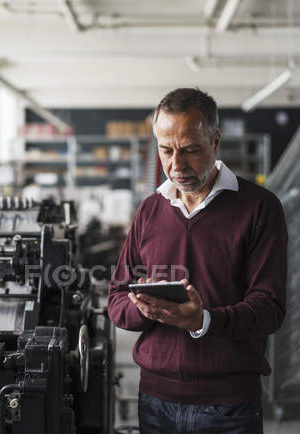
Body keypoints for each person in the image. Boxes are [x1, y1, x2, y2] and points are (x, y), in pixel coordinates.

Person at [107, 88, 287, 434]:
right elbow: (116, 301)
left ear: (215, 141)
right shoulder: (149, 210)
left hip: (229, 406)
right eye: (166, 150)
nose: (176, 165)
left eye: (190, 150)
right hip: (155, 401)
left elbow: (270, 308)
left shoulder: (259, 208)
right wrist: (144, 308)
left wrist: (204, 321)